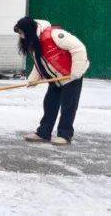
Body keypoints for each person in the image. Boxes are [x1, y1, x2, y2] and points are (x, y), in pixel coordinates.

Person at [14, 17, 89, 146]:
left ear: (29, 30)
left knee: (68, 107)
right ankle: (43, 133)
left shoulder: (55, 35)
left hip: (70, 76)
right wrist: (33, 80)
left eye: (21, 33)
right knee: (49, 104)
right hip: (55, 78)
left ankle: (64, 135)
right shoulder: (35, 41)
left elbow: (79, 48)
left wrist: (76, 72)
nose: (21, 36)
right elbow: (39, 64)